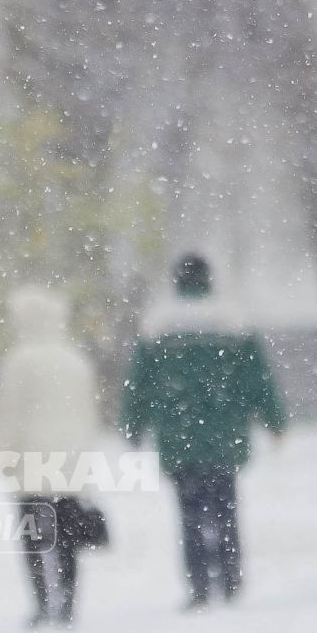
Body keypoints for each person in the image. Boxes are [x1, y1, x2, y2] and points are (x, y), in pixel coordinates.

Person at [120, 254, 285, 608]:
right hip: (226, 436)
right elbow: (258, 379)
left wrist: (133, 426)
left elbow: (140, 385)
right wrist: (275, 421)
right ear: (209, 278)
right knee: (226, 507)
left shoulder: (159, 326)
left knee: (189, 513)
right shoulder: (233, 322)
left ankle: (198, 585)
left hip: (179, 438)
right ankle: (230, 578)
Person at [0, 283, 99, 627]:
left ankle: (42, 602)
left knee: (34, 536)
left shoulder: (19, 362)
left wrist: (1, 454)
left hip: (31, 461)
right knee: (68, 537)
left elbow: (8, 413)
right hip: (68, 462)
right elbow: (88, 414)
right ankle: (67, 602)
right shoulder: (75, 360)